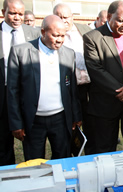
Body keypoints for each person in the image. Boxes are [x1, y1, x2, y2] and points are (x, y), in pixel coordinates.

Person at [7, 15, 82, 161]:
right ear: (43, 32)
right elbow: (12, 91)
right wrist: (16, 123)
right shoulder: (20, 52)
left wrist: (76, 116)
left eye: (62, 36)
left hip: (60, 119)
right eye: (55, 35)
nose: (59, 40)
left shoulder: (68, 54)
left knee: (62, 159)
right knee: (35, 162)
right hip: (33, 120)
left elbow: (72, 89)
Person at [83, 0, 123, 154]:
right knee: (105, 147)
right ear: (109, 16)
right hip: (106, 104)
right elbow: (96, 70)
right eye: (120, 20)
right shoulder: (92, 38)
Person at [0, 0, 40, 166]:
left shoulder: (34, 33)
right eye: (13, 13)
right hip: (2, 94)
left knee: (32, 141)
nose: (17, 17)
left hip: (27, 96)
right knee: (3, 143)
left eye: (20, 14)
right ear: (3, 12)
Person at [53, 3, 91, 128]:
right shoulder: (52, 36)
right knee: (71, 125)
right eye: (59, 17)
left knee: (90, 124)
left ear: (72, 17)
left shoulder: (85, 30)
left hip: (88, 86)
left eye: (66, 17)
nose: (63, 21)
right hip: (67, 87)